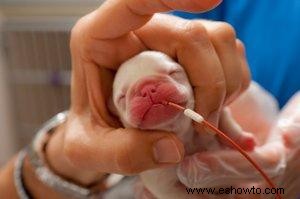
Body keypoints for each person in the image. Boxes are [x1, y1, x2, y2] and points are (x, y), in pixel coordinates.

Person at [0, 0, 297, 198]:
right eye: (127, 95)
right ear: (115, 114)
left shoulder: (211, 105)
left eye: (169, 75)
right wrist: (64, 158)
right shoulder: (187, 26)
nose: (150, 92)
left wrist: (238, 137)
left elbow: (226, 119)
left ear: (192, 82)